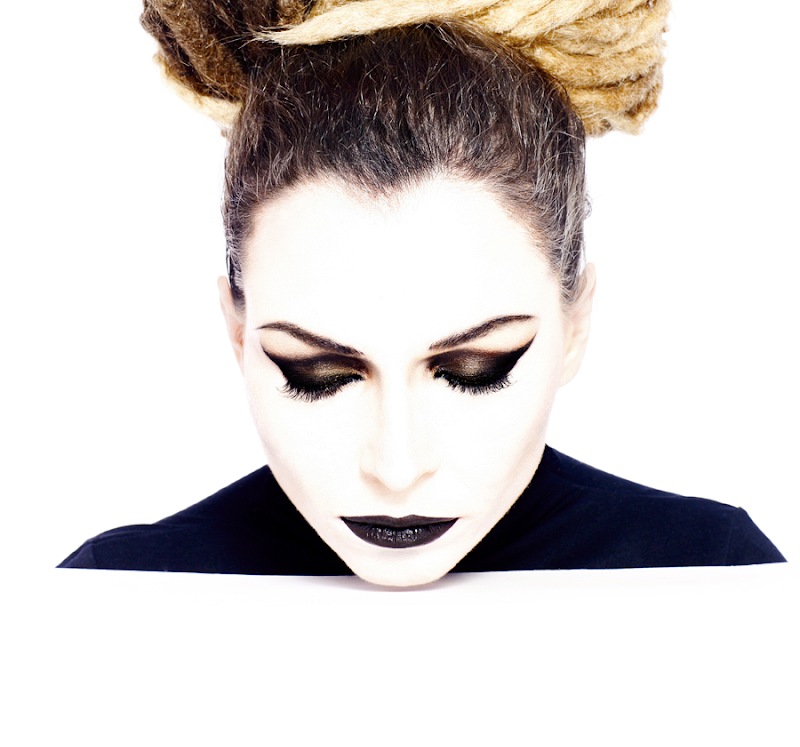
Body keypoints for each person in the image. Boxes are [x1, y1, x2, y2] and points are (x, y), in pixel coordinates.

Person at [58, 0, 785, 586]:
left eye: (474, 371)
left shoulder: (713, 578)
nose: (397, 469)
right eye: (318, 375)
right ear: (237, 333)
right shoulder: (117, 597)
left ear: (577, 325)